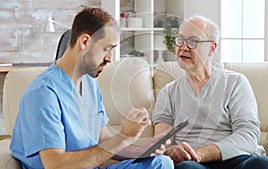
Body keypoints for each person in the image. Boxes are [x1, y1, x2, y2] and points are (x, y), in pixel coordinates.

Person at [10, 7, 173, 169]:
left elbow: (103, 140)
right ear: (85, 42)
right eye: (106, 49)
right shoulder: (43, 92)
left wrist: (139, 151)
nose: (109, 59)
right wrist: (124, 137)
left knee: (161, 163)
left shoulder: (89, 82)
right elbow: (55, 164)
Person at [152, 15, 268, 169]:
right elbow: (162, 144)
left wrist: (200, 153)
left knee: (262, 164)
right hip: (194, 165)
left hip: (237, 159)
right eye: (180, 39)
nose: (183, 47)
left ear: (212, 48)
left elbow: (248, 136)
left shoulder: (235, 82)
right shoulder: (168, 93)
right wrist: (172, 150)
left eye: (193, 41)